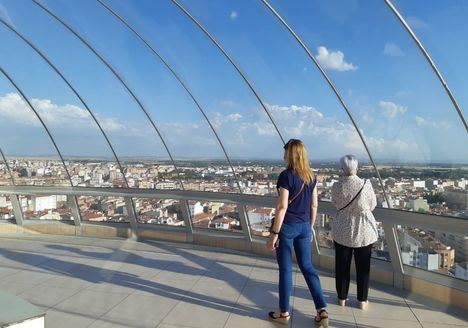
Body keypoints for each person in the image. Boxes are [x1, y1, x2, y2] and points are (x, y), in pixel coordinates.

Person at [267, 139, 328, 326]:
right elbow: (314, 204)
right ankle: (322, 310)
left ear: (290, 154)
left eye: (285, 152)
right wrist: (309, 226)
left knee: (285, 270)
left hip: (287, 227)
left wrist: (274, 233)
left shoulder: (286, 176)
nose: (284, 155)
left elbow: (282, 206)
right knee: (308, 267)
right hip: (303, 226)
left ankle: (284, 312)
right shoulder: (311, 176)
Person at [331, 154, 378, 310]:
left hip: (342, 230)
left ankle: (342, 298)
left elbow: (336, 204)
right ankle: (362, 300)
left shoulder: (336, 186)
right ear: (357, 167)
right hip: (363, 231)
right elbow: (372, 205)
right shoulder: (366, 184)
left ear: (342, 169)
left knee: (341, 266)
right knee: (363, 267)